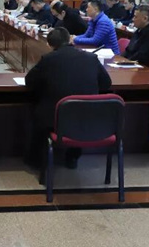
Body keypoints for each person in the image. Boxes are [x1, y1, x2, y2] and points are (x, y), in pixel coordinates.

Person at [24, 27, 112, 169]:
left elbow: (30, 82)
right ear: (70, 40)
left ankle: (36, 159)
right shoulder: (91, 58)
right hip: (89, 117)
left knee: (37, 108)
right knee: (77, 109)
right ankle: (73, 157)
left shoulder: (48, 59)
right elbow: (106, 83)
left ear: (50, 45)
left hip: (56, 119)